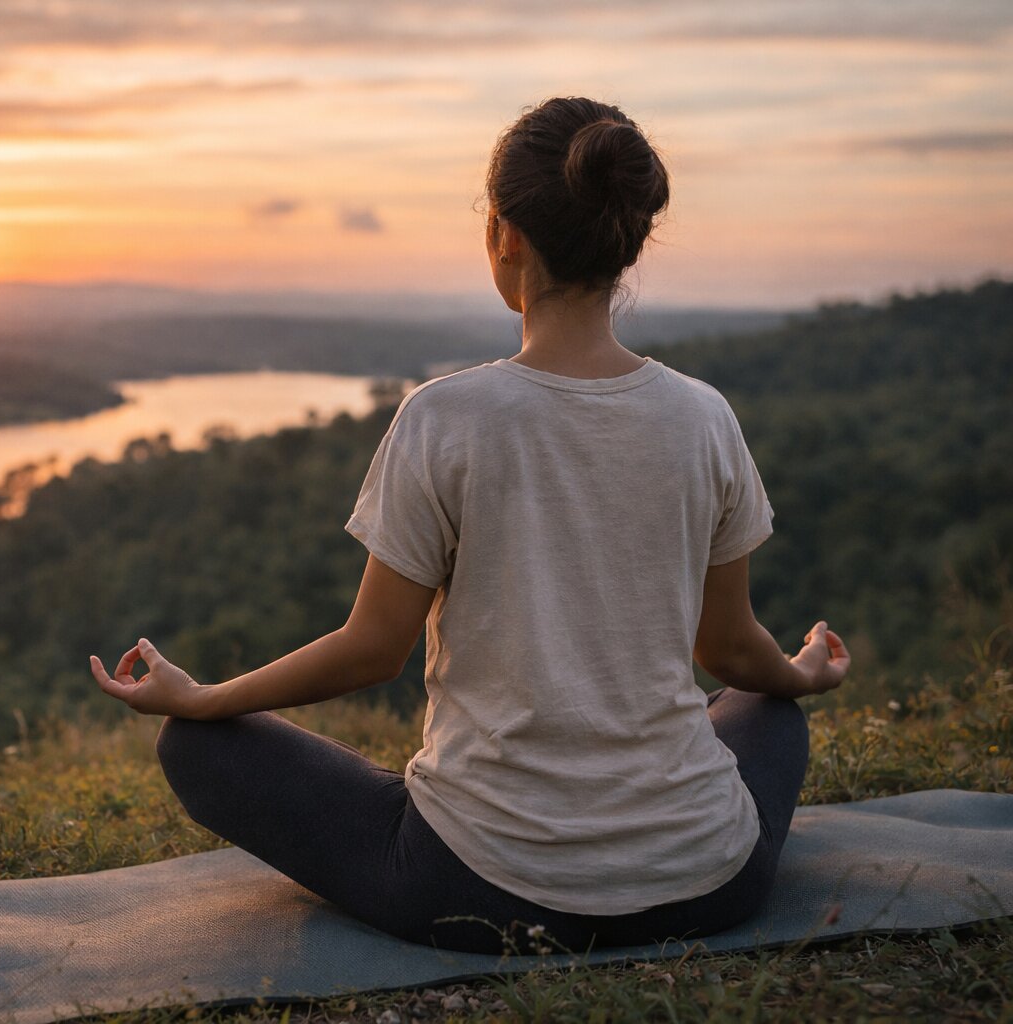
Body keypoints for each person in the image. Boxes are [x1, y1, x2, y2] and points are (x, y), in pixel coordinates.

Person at [88, 96, 850, 954]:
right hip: (710, 884)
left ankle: (456, 817)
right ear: (629, 241)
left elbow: (373, 648)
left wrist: (203, 697)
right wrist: (800, 675)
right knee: (771, 708)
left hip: (479, 891)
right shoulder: (703, 417)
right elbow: (732, 650)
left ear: (505, 236)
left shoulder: (446, 417)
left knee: (200, 750)